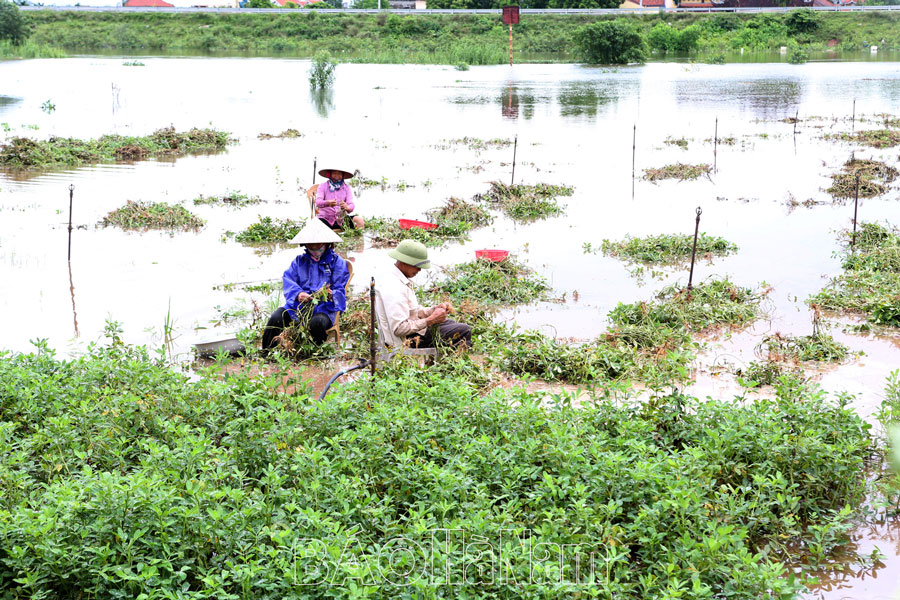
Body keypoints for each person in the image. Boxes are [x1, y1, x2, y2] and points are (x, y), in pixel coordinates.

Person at [262, 219, 350, 350]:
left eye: (318, 245)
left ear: (327, 244)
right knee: (276, 318)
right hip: (299, 306)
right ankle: (267, 352)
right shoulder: (299, 262)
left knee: (317, 323)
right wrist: (298, 294)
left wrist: (330, 294)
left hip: (324, 308)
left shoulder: (337, 262)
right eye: (310, 246)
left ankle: (317, 352)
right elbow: (288, 279)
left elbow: (339, 287)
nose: (314, 249)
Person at [377, 239, 472, 349]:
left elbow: (412, 312)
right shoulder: (394, 287)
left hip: (411, 333)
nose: (419, 270)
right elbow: (399, 329)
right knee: (464, 330)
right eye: (417, 266)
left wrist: (432, 310)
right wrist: (430, 320)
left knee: (450, 323)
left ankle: (440, 362)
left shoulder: (397, 279)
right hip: (407, 340)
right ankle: (451, 364)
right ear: (404, 262)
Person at [316, 166, 365, 230]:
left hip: (341, 219)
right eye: (334, 173)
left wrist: (347, 207)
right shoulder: (322, 186)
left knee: (360, 220)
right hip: (325, 219)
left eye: (339, 173)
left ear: (343, 175)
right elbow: (318, 202)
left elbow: (351, 204)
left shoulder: (346, 188)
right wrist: (328, 203)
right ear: (330, 174)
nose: (337, 175)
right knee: (318, 225)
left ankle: (357, 239)